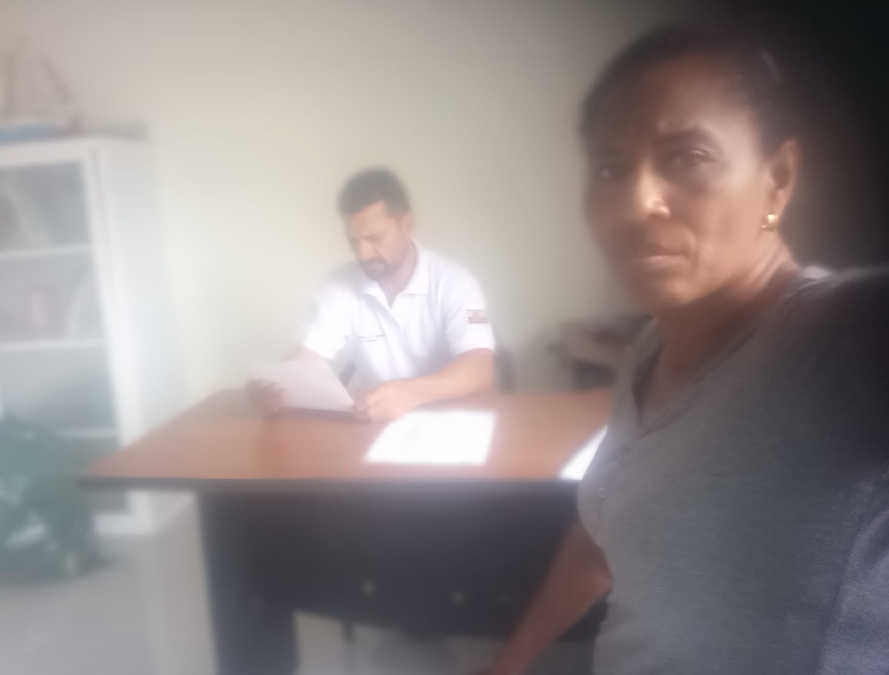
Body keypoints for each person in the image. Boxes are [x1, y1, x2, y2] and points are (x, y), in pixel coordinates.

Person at [480, 25, 889, 675]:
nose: (635, 202)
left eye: (687, 157)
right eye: (610, 169)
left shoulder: (838, 339)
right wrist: (507, 663)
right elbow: (599, 544)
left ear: (777, 179)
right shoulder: (650, 349)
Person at [251, 168, 496, 422]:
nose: (363, 254)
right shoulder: (338, 285)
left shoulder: (454, 282)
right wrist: (277, 387)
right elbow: (310, 353)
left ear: (407, 225)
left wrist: (412, 393)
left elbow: (480, 366)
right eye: (353, 241)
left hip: (448, 420)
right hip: (375, 421)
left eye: (375, 238)